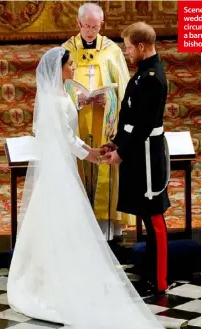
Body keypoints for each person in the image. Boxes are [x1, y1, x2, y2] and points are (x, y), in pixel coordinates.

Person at [7, 46, 165, 329]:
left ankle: (59, 272)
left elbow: (67, 135)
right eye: (70, 65)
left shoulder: (60, 94)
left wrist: (90, 150)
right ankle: (52, 279)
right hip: (61, 167)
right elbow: (64, 137)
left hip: (64, 164)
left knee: (60, 222)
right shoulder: (55, 100)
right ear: (59, 68)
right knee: (60, 221)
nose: (73, 69)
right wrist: (89, 153)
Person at [103, 22, 171, 296]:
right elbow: (129, 118)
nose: (127, 52)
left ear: (141, 47)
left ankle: (160, 279)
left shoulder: (152, 77)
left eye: (129, 47)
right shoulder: (143, 73)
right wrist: (117, 142)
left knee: (154, 218)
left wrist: (121, 152)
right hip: (137, 150)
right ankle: (150, 272)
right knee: (145, 214)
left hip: (146, 155)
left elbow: (143, 125)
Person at [62, 3, 135, 241]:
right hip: (78, 121)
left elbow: (123, 89)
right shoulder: (66, 50)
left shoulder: (111, 50)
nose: (91, 31)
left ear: (102, 24)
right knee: (79, 164)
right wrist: (77, 98)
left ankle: (106, 229)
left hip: (105, 122)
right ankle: (77, 227)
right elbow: (58, 87)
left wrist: (110, 100)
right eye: (86, 26)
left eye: (95, 27)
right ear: (78, 24)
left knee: (104, 167)